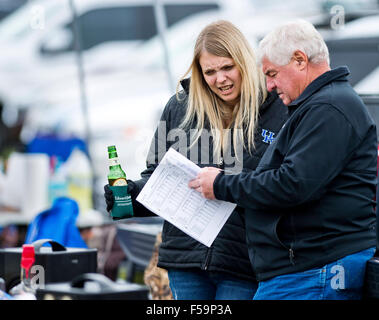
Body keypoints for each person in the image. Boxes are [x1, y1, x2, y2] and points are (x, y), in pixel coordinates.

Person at [190, 19, 377, 300]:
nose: (269, 84)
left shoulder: (329, 107)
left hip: (314, 270)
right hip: (306, 269)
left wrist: (221, 185)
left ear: (300, 60)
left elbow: (292, 184)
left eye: (272, 73)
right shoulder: (320, 105)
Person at [104, 20, 287, 300]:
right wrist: (129, 196)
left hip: (244, 262)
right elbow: (157, 178)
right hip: (185, 260)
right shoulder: (180, 108)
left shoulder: (276, 108)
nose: (220, 79)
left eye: (227, 67)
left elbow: (284, 185)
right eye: (210, 72)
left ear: (245, 63)